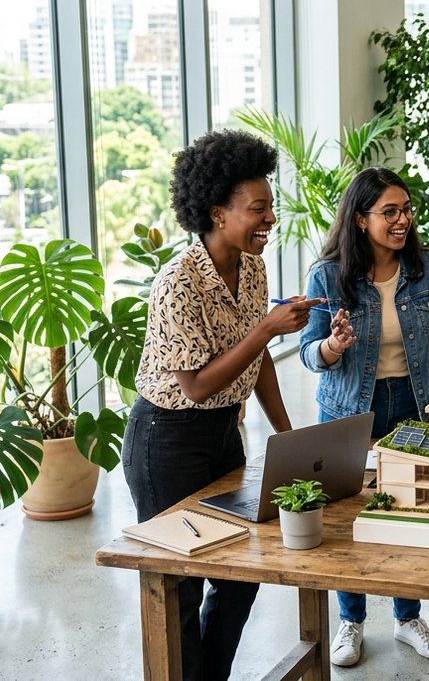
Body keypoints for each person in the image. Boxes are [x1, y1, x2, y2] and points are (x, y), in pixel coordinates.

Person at [298, 166, 429, 668]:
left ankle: (407, 616)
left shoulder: (425, 267)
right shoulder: (327, 275)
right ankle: (351, 621)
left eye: (406, 209)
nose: (402, 220)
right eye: (389, 211)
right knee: (350, 515)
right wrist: (332, 345)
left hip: (414, 402)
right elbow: (308, 352)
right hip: (350, 407)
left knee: (409, 507)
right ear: (359, 219)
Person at [122, 129, 314, 681]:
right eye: (258, 209)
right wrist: (266, 330)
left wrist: (286, 434)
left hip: (224, 435)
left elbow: (259, 364)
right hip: (167, 439)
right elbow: (196, 386)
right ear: (216, 211)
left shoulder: (252, 269)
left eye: (270, 207)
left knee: (238, 570)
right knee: (178, 581)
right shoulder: (177, 282)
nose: (269, 219)